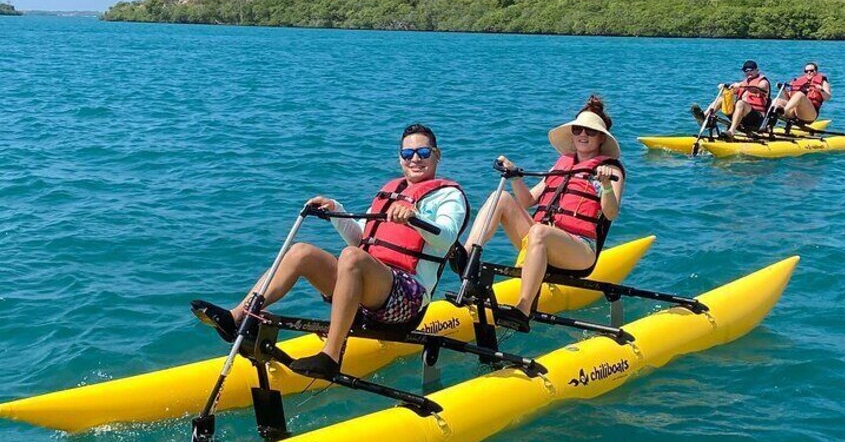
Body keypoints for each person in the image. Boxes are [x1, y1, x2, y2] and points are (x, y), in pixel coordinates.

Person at [192, 124, 468, 379]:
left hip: (406, 299)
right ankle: (237, 316)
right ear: (400, 158)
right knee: (302, 252)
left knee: (351, 257)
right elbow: (360, 238)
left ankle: (331, 355)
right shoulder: (391, 191)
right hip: (367, 288)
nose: (415, 159)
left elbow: (447, 238)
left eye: (422, 152)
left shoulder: (449, 196)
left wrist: (414, 219)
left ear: (436, 154)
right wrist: (336, 210)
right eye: (408, 153)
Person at [462, 96, 624, 332]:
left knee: (539, 232)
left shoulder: (610, 170)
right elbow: (528, 201)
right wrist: (515, 175)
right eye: (578, 129)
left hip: (579, 249)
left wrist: (607, 184)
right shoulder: (561, 165)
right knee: (502, 198)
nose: (583, 134)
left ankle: (523, 309)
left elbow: (610, 213)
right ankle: (466, 256)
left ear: (601, 138)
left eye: (590, 131)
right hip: (542, 239)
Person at [702, 60, 771, 138]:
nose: (748, 72)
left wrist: (740, 86)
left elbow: (757, 89)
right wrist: (726, 87)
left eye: (750, 70)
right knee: (722, 99)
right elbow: (733, 90)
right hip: (741, 115)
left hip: (757, 119)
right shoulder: (744, 83)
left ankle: (731, 131)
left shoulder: (763, 82)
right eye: (746, 70)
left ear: (757, 70)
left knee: (740, 103)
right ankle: (704, 117)